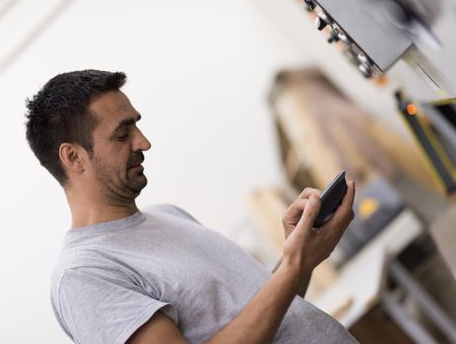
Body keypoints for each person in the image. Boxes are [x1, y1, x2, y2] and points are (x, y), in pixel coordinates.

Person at [25, 69, 358, 344]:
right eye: (122, 134)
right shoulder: (83, 275)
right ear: (73, 157)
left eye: (137, 126)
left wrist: (297, 257)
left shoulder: (169, 215)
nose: (143, 142)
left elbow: (270, 318)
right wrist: (293, 266)